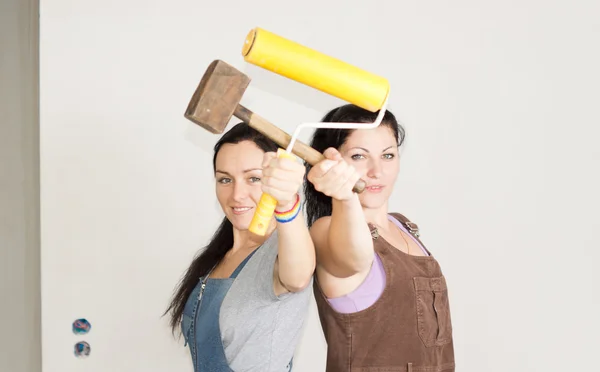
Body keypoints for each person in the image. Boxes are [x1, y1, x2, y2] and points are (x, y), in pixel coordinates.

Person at [303, 104, 455, 371]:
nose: (376, 170)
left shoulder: (404, 226)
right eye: (359, 157)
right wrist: (345, 196)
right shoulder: (325, 231)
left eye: (388, 155)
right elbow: (356, 258)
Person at [165, 123, 315, 372]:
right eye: (225, 179)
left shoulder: (282, 249)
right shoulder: (217, 257)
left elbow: (298, 277)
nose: (236, 195)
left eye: (254, 178)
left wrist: (288, 202)